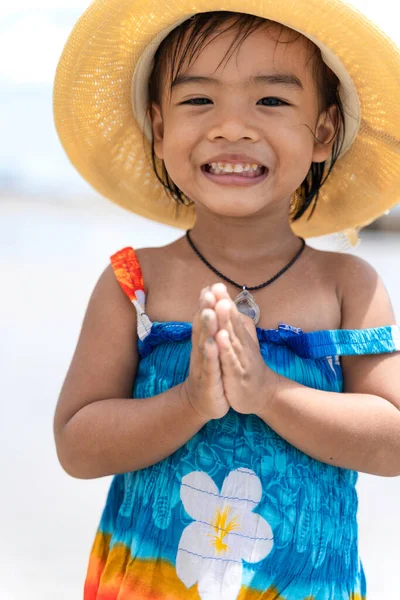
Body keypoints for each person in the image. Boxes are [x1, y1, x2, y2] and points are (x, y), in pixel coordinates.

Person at [52, 1, 400, 598]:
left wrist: (268, 393)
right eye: (198, 100)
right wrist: (188, 402)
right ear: (159, 130)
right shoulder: (133, 284)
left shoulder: (348, 285)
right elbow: (78, 445)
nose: (231, 126)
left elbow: (393, 442)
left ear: (323, 131)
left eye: (271, 100)